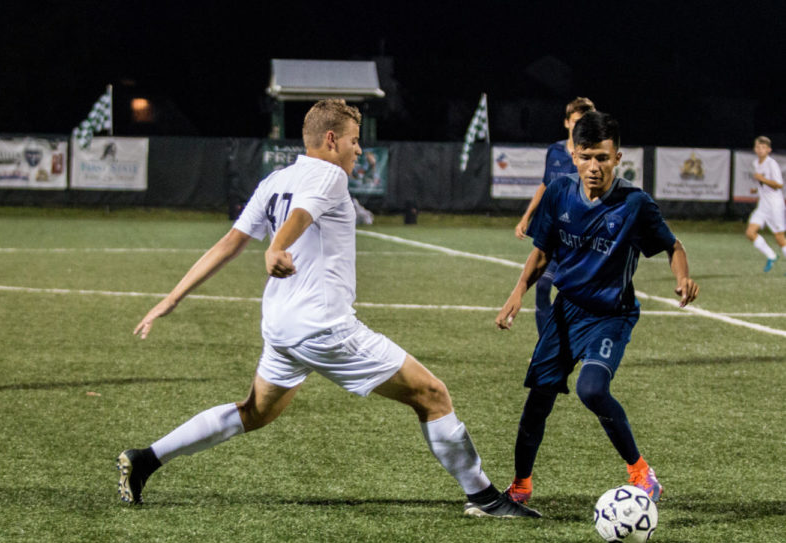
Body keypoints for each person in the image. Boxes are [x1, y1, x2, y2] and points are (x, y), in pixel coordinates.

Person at [117, 99, 539, 518]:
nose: (360, 150)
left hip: (282, 328)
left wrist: (172, 299)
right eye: (356, 141)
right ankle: (485, 499)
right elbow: (300, 215)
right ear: (332, 139)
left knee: (254, 412)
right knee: (432, 395)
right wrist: (278, 247)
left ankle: (145, 460)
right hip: (323, 328)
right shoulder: (330, 176)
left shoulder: (276, 179)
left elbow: (229, 243)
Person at [496, 111, 699, 505]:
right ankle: (520, 486)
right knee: (538, 401)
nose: (594, 167)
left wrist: (682, 277)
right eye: (586, 156)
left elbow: (674, 246)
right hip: (565, 311)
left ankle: (641, 473)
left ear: (617, 157)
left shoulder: (634, 204)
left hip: (610, 316)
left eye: (602, 158)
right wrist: (517, 292)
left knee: (592, 389)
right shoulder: (558, 193)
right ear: (574, 155)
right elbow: (542, 252)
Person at [514, 97, 596, 334]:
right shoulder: (555, 150)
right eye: (577, 121)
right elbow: (545, 184)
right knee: (542, 288)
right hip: (553, 234)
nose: (581, 126)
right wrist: (526, 216)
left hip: (578, 236)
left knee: (576, 295)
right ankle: (546, 349)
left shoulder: (593, 156)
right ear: (567, 123)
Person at [744, 136, 786, 272]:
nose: (760, 150)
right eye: (758, 147)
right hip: (763, 205)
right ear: (754, 149)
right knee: (750, 233)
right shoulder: (756, 163)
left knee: (779, 238)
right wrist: (756, 188)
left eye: (763, 148)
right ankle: (771, 255)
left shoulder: (771, 164)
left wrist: (762, 179)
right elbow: (765, 184)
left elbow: (779, 185)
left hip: (775, 205)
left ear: (769, 150)